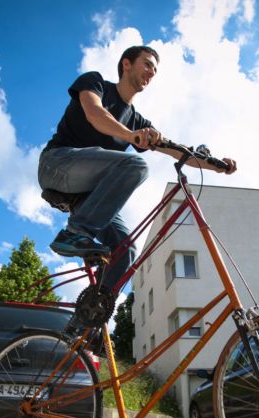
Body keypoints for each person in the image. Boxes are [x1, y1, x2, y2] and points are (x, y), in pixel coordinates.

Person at [38, 45, 237, 293]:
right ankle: (75, 233)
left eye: (155, 69)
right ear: (126, 64)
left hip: (87, 196)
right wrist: (131, 136)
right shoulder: (96, 83)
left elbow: (176, 149)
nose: (152, 72)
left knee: (125, 250)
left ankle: (89, 317)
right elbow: (94, 114)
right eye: (147, 63)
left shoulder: (137, 120)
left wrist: (216, 166)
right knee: (136, 165)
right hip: (56, 165)